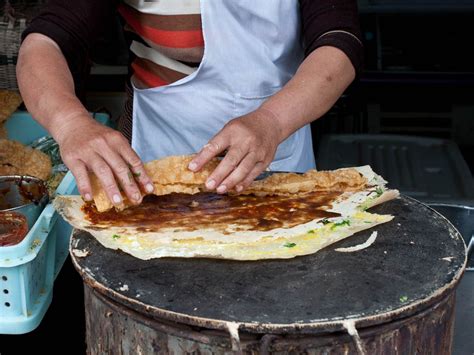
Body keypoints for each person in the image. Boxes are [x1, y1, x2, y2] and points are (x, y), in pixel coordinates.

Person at [17, 0, 363, 207]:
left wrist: (271, 121)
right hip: (158, 147)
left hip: (280, 135)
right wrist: (70, 123)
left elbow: (339, 44)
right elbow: (46, 42)